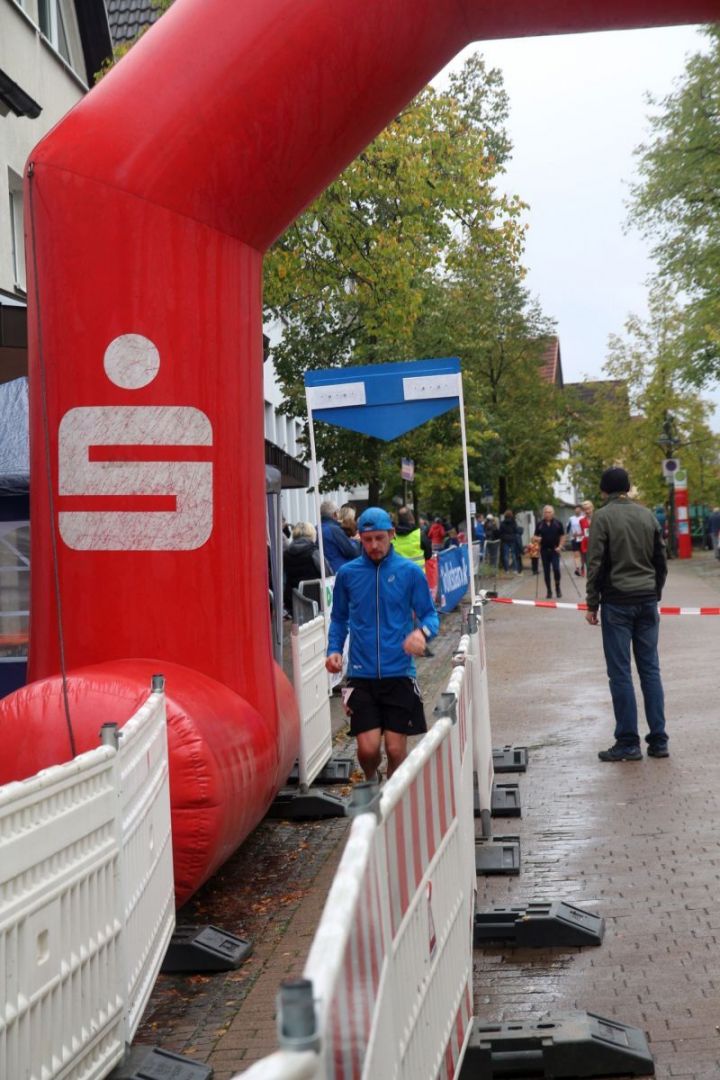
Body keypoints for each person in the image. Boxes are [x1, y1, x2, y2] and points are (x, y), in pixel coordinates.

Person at [325, 506, 439, 782]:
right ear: (359, 538)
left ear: (391, 534)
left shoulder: (409, 572)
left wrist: (421, 633)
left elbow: (430, 615)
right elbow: (338, 618)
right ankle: (372, 779)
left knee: (396, 750)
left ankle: (392, 797)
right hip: (361, 674)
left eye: (379, 538)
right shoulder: (348, 574)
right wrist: (334, 650)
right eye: (367, 540)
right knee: (367, 750)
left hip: (399, 672)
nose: (374, 545)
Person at [585, 467, 669, 762]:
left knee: (620, 672)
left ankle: (628, 742)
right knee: (650, 669)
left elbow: (595, 563)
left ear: (605, 490)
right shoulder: (647, 515)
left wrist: (592, 603)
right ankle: (659, 740)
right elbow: (661, 559)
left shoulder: (602, 517)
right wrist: (655, 592)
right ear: (628, 488)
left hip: (617, 601)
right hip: (646, 599)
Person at [283, 522, 330, 613]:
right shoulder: (314, 552)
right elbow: (327, 573)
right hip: (315, 599)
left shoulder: (285, 554)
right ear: (312, 535)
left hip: (293, 600)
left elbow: (283, 579)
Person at [320, 499, 360, 573]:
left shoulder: (316, 529)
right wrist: (356, 541)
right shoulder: (335, 530)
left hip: (324, 571)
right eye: (338, 512)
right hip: (339, 571)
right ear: (335, 514)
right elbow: (352, 552)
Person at [534, 505, 564, 598]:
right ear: (543, 513)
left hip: (555, 550)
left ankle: (557, 588)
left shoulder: (558, 523)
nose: (547, 514)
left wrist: (560, 546)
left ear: (553, 513)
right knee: (546, 571)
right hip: (544, 550)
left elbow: (562, 536)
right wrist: (537, 539)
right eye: (546, 512)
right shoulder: (540, 524)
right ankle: (549, 590)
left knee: (556, 569)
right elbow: (535, 536)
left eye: (549, 512)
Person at [567, 506, 583, 575]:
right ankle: (577, 568)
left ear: (581, 510)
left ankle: (582, 568)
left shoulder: (583, 518)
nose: (577, 511)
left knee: (582, 555)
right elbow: (568, 528)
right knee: (576, 554)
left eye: (579, 509)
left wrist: (580, 534)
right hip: (574, 538)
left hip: (582, 538)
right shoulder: (571, 518)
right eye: (576, 509)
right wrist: (568, 535)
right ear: (574, 510)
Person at [578, 499, 593, 574]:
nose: (587, 511)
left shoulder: (597, 518)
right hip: (586, 545)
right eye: (585, 509)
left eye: (588, 509)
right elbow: (583, 533)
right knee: (589, 567)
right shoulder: (581, 521)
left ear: (592, 508)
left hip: (596, 544)